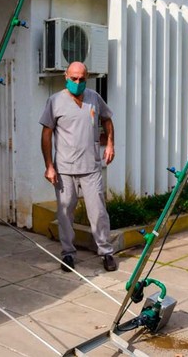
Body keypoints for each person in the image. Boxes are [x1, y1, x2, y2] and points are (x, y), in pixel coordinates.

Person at [39, 61, 118, 272]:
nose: (77, 82)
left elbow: (107, 120)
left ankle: (106, 252)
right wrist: (49, 166)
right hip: (64, 169)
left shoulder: (94, 98)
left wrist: (110, 144)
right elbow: (46, 134)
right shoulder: (55, 101)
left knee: (98, 212)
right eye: (73, 78)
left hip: (91, 167)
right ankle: (68, 253)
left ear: (87, 77)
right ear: (66, 76)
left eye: (81, 79)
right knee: (65, 213)